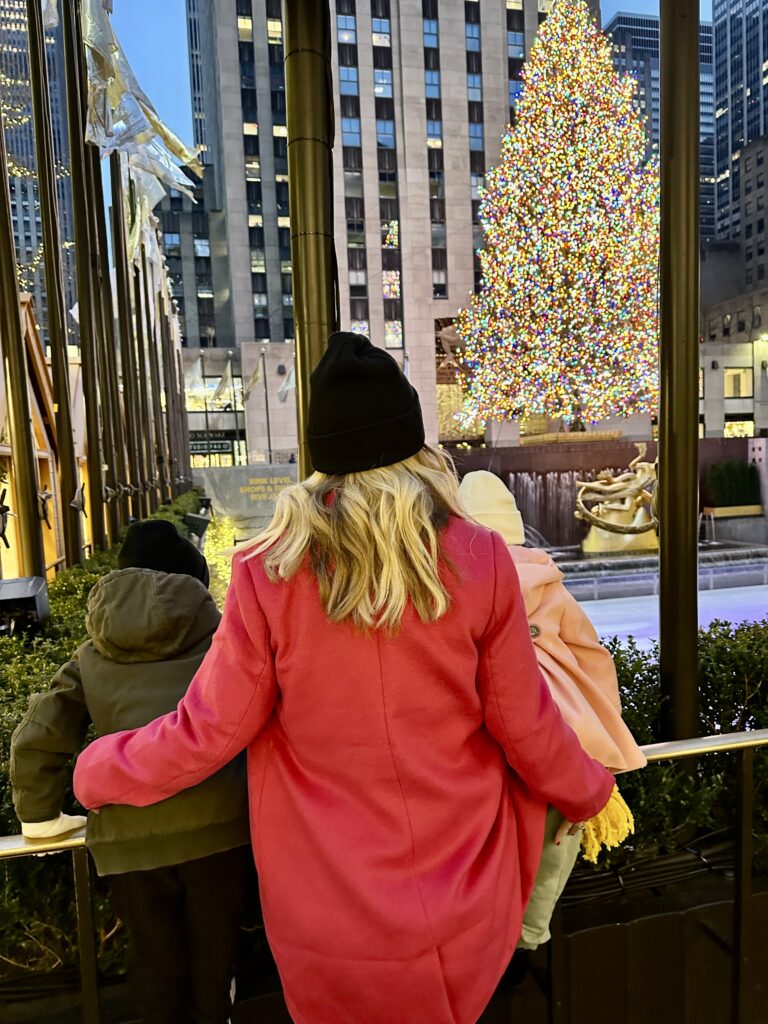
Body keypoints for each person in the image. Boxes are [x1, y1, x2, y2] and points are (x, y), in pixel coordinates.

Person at [73, 333, 614, 1024]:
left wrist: (95, 770)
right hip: (465, 903)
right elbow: (527, 727)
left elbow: (208, 731)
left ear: (321, 458)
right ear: (414, 446)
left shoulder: (267, 572)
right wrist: (590, 791)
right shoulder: (480, 558)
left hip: (326, 923)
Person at [11, 520, 251, 1024]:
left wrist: (40, 818)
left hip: (128, 842)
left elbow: (40, 732)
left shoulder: (93, 653)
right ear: (194, 577)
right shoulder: (222, 640)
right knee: (216, 968)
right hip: (223, 832)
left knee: (156, 971)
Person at [459, 470, 646, 958]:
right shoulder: (548, 580)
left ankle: (487, 937)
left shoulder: (453, 582)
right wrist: (607, 720)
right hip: (563, 723)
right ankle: (531, 932)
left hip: (490, 728)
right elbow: (593, 655)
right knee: (558, 832)